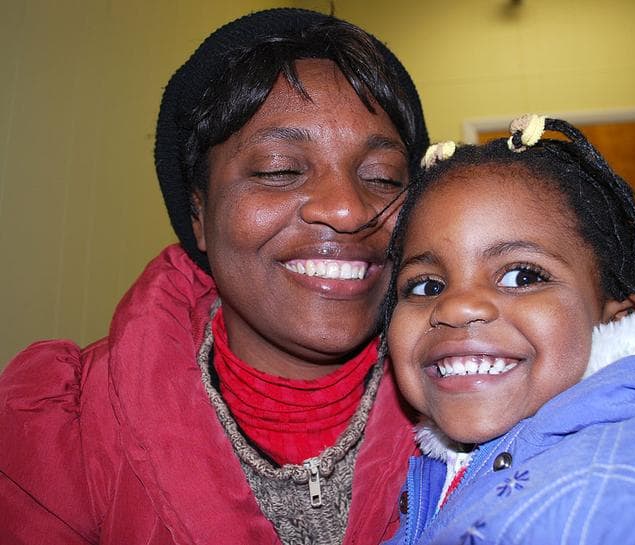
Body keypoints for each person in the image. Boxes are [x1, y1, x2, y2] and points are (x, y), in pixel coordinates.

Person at [0, 8, 429, 545]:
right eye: (279, 169)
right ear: (199, 213)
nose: (346, 209)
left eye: (383, 177)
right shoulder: (60, 433)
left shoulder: (489, 400)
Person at [381, 115, 635, 544]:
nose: (455, 306)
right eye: (425, 285)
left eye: (522, 277)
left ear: (615, 320)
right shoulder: (433, 465)